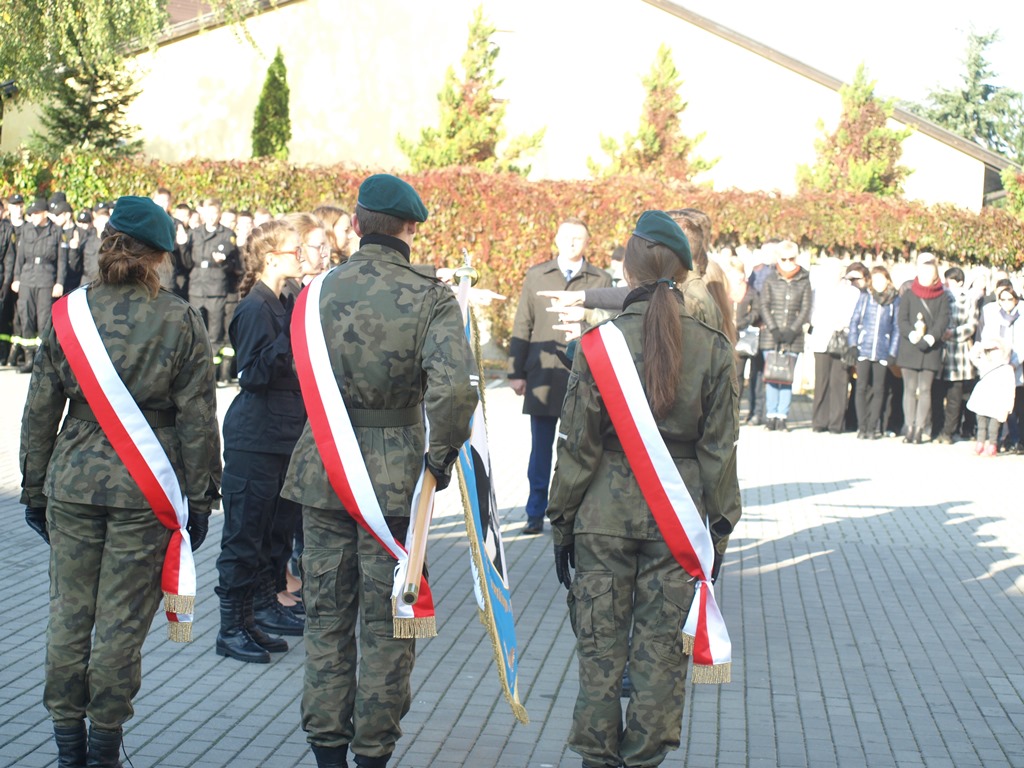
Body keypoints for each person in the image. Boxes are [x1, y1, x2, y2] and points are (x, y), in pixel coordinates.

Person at [281, 174, 478, 768]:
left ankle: (327, 752)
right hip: (396, 482)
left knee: (325, 620)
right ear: (411, 229)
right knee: (391, 626)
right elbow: (454, 393)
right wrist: (439, 460)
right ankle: (372, 753)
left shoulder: (316, 291)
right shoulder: (431, 297)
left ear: (357, 225)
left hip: (324, 470)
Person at [19, 195, 221, 767]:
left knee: (68, 615)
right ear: (159, 256)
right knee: (121, 624)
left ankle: (68, 746)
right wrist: (201, 498)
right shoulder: (179, 319)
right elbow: (198, 419)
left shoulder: (68, 315)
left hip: (72, 484)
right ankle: (105, 743)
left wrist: (33, 487)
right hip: (145, 490)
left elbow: (40, 411)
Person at [546, 211, 741, 768]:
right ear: (682, 272)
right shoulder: (712, 347)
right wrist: (718, 533)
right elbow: (720, 452)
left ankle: (596, 759)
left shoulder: (597, 345)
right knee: (660, 660)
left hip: (601, 518)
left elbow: (576, 448)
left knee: (600, 655)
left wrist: (561, 523)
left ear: (627, 272)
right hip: (678, 522)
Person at [215, 220, 312, 663]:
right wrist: (291, 335)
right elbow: (252, 375)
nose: (301, 256)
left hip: (282, 436)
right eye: (295, 250)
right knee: (244, 536)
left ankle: (258, 612)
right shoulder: (255, 308)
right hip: (255, 438)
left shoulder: (284, 300)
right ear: (272, 259)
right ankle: (231, 627)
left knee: (273, 532)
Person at [508, 218, 612, 535]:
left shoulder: (600, 279)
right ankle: (534, 513)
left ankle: (569, 515)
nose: (572, 242)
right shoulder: (537, 275)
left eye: (578, 237)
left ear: (587, 242)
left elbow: (607, 325)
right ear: (555, 239)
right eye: (566, 237)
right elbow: (523, 323)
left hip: (582, 376)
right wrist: (515, 371)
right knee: (540, 451)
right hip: (541, 375)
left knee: (577, 450)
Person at [756, 240, 812, 431]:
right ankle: (771, 415)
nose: (788, 262)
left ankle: (782, 416)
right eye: (784, 259)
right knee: (772, 376)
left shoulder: (804, 279)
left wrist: (792, 330)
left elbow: (806, 308)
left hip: (793, 337)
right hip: (772, 336)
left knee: (787, 377)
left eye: (791, 258)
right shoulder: (770, 278)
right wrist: (774, 329)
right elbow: (764, 305)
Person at [896, 252, 950, 444]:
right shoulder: (909, 294)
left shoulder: (942, 296)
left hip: (931, 348)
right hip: (910, 347)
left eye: (930, 273)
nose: (926, 276)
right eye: (923, 272)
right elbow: (902, 319)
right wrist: (912, 334)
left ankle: (920, 428)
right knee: (909, 389)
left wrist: (930, 338)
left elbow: (943, 320)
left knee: (925, 389)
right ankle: (909, 427)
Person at [187, 198, 240, 383]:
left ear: (219, 214)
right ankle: (195, 372)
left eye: (214, 213)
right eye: (208, 213)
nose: (211, 217)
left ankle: (213, 374)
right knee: (196, 330)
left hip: (216, 287)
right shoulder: (194, 233)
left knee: (215, 333)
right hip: (196, 286)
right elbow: (186, 260)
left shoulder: (227, 234)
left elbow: (233, 263)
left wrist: (222, 262)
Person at [808, 262, 866, 433]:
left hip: (842, 340)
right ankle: (819, 422)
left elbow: (855, 316)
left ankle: (836, 423)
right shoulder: (818, 290)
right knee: (822, 381)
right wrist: (825, 321)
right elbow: (812, 313)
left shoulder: (852, 292)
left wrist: (843, 323)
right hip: (821, 339)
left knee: (839, 381)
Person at [10, 198, 65, 374]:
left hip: (46, 279)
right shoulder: (26, 230)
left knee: (43, 320)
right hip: (27, 278)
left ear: (45, 213)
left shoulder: (56, 231)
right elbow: (19, 257)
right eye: (31, 214)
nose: (33, 216)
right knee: (26, 317)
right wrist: (16, 278)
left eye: (36, 213)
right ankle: (29, 359)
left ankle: (42, 361)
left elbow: (61, 261)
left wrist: (59, 282)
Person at [848, 265, 900, 438]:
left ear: (887, 281)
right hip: (864, 348)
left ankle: (872, 427)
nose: (878, 283)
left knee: (879, 389)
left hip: (882, 351)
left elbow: (896, 328)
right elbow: (854, 321)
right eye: (875, 279)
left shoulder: (894, 300)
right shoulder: (865, 297)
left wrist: (892, 352)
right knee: (861, 387)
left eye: (881, 279)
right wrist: (853, 344)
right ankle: (862, 426)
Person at [935, 267, 980, 443]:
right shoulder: (941, 297)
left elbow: (972, 324)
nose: (947, 284)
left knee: (955, 396)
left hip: (959, 353)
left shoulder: (969, 299)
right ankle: (937, 428)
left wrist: (953, 333)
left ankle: (948, 432)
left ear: (960, 282)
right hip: (941, 351)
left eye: (951, 281)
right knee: (937, 394)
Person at [979, 279, 1024, 452]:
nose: (1006, 303)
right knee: (1002, 407)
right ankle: (1000, 439)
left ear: (1015, 300)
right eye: (1002, 299)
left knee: (1018, 407)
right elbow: (986, 340)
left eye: (1009, 299)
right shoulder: (994, 317)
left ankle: (1018, 440)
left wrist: (1014, 363)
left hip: (1016, 368)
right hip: (997, 368)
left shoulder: (1021, 318)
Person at [966, 337, 1017, 456]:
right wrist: (984, 345)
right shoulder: (989, 364)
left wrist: (1009, 405)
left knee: (988, 426)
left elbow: (1010, 387)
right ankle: (986, 445)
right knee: (985, 425)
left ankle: (987, 445)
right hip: (989, 400)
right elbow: (972, 355)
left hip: (991, 400)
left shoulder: (994, 366)